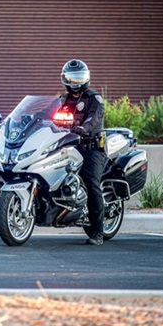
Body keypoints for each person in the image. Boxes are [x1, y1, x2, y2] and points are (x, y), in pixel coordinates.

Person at [59, 59, 107, 246]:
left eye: (77, 78)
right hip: (70, 147)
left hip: (91, 148)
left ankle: (98, 232)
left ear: (86, 78)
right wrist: (31, 119)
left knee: (91, 183)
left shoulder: (94, 99)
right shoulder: (64, 100)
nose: (74, 83)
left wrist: (84, 127)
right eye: (70, 79)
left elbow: (94, 118)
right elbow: (47, 114)